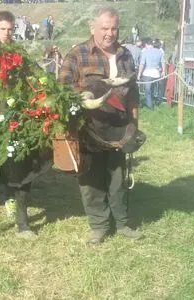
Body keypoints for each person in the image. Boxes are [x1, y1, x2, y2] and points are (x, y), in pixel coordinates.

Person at [59, 7, 143, 244]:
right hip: (90, 129)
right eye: (104, 28)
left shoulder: (125, 55)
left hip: (120, 127)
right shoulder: (77, 54)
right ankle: (99, 225)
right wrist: (83, 95)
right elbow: (62, 87)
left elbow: (133, 92)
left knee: (118, 176)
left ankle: (123, 223)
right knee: (91, 178)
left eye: (114, 28)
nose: (109, 33)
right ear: (92, 28)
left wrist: (134, 123)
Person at [138, 39, 165, 109]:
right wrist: (163, 71)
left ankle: (150, 106)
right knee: (153, 89)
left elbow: (142, 64)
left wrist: (139, 74)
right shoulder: (160, 52)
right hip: (156, 74)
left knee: (148, 91)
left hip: (147, 73)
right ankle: (156, 101)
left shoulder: (145, 52)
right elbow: (163, 62)